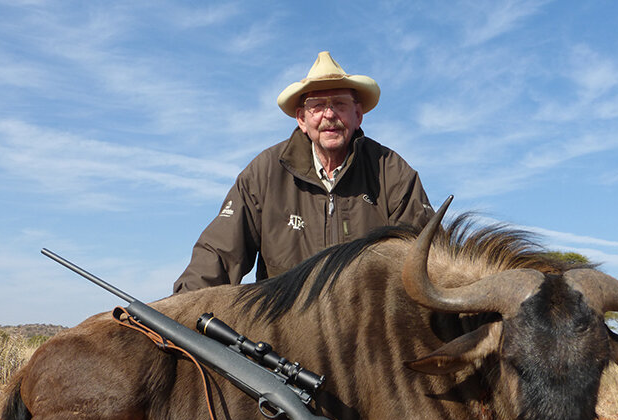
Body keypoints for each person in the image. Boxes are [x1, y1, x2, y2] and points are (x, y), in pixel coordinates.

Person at [173, 51, 433, 293]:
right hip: (284, 337)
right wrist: (176, 317)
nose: (329, 115)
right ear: (302, 119)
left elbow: (429, 261)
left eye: (340, 104)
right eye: (317, 106)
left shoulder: (392, 172)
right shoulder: (263, 175)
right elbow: (217, 255)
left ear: (358, 115)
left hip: (368, 336)